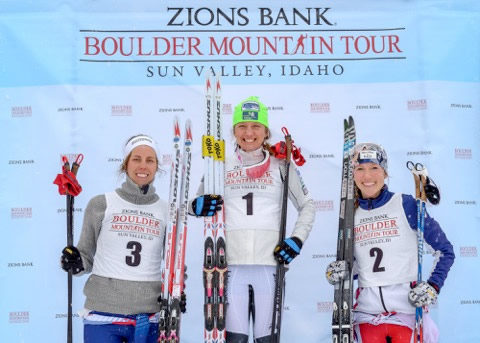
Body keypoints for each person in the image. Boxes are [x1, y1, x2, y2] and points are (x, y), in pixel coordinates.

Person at [190, 96, 316, 343]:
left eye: (256, 126)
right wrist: (197, 205)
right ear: (234, 130)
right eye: (242, 126)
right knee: (235, 339)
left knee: (266, 339)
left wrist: (297, 239)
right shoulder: (219, 164)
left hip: (269, 266)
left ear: (266, 131)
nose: (249, 133)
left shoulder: (281, 165)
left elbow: (308, 205)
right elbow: (195, 205)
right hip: (229, 266)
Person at [326, 143, 455, 343]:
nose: (367, 176)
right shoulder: (351, 215)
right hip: (366, 317)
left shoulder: (406, 205)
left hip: (407, 314)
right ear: (352, 175)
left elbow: (445, 250)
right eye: (360, 169)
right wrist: (342, 271)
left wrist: (433, 286)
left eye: (374, 168)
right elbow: (360, 268)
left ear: (385, 172)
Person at [60, 134, 175, 343]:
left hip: (149, 315)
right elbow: (85, 257)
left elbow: (174, 264)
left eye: (150, 160)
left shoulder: (166, 210)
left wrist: (176, 292)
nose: (143, 165)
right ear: (125, 164)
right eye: (136, 159)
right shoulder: (101, 204)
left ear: (157, 166)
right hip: (103, 313)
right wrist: (75, 263)